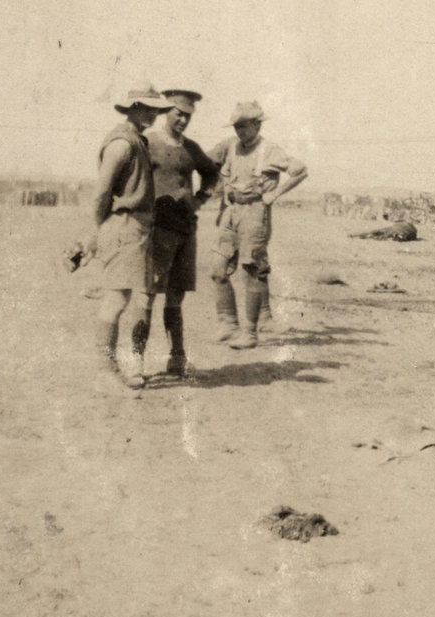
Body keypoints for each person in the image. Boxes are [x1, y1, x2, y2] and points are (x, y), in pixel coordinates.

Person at [86, 81, 172, 392]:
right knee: (116, 299)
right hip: (123, 226)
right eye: (147, 108)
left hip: (139, 228)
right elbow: (101, 194)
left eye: (155, 109)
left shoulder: (139, 141)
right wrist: (100, 230)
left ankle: (126, 366)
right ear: (132, 108)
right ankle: (104, 372)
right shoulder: (122, 143)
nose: (153, 114)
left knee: (138, 297)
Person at [207, 101, 308, 349]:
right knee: (217, 269)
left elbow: (300, 170)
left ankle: (250, 333)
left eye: (244, 126)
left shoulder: (269, 150)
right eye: (236, 126)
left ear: (257, 124)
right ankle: (228, 324)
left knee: (251, 271)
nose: (239, 131)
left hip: (255, 214)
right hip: (232, 211)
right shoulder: (231, 147)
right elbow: (215, 169)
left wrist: (275, 193)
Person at [143, 89, 220, 377]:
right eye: (178, 114)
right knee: (148, 294)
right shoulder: (147, 142)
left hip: (186, 230)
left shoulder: (192, 148)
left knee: (176, 295)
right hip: (157, 229)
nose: (183, 121)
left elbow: (212, 175)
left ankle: (177, 357)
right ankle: (137, 361)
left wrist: (200, 200)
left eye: (188, 116)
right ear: (166, 112)